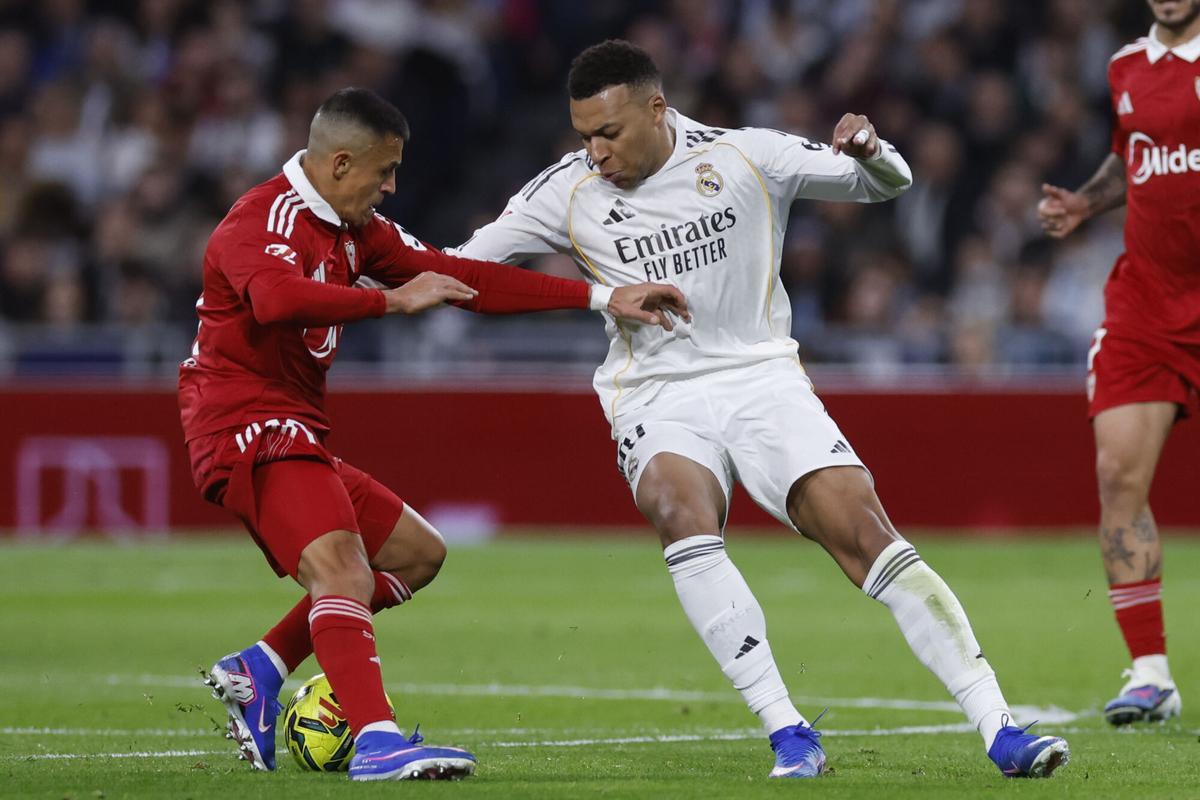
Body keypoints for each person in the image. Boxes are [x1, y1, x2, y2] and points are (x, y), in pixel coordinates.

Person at [453, 39, 1070, 779]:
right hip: (655, 393)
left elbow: (886, 183)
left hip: (761, 378)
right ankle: (789, 731)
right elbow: (465, 270)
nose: (594, 152)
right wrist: (592, 295)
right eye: (583, 133)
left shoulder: (748, 155)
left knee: (864, 531)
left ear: (657, 109)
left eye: (608, 133)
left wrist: (872, 149)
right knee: (679, 509)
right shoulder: (565, 190)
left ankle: (1000, 726)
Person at [181, 87, 687, 781]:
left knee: (417, 554)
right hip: (243, 421)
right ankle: (380, 743)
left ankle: (258, 669)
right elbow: (275, 300)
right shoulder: (258, 220)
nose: (391, 187)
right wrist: (389, 299)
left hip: (295, 424)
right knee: (344, 571)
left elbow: (461, 275)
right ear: (339, 165)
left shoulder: (358, 230)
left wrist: (601, 297)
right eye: (383, 172)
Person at [1037, 0, 1198, 727]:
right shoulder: (1125, 66)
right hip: (1146, 305)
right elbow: (1132, 153)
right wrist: (1085, 203)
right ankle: (1151, 673)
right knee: (1115, 475)